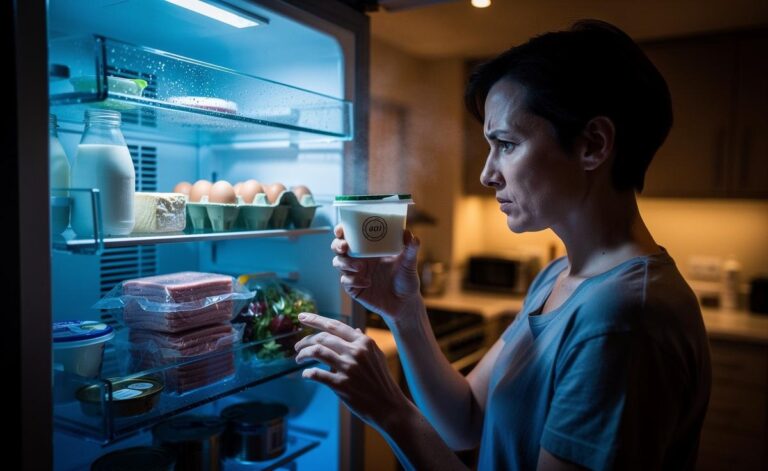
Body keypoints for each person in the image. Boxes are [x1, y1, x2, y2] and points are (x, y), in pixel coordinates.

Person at [294, 19, 711, 471]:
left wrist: (391, 411)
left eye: (507, 144)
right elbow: (466, 419)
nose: (487, 174)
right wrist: (405, 311)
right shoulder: (560, 277)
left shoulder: (623, 321)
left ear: (593, 144)